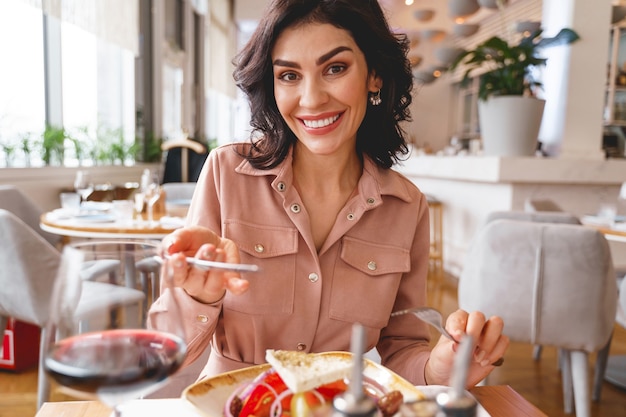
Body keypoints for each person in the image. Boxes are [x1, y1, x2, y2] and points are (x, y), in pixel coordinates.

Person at [150, 0, 509, 388]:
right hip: (233, 404)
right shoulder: (226, 174)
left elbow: (403, 346)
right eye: (289, 75)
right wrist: (198, 297)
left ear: (375, 74)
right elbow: (164, 356)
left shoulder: (406, 207)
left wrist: (440, 368)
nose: (312, 98)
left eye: (335, 68)